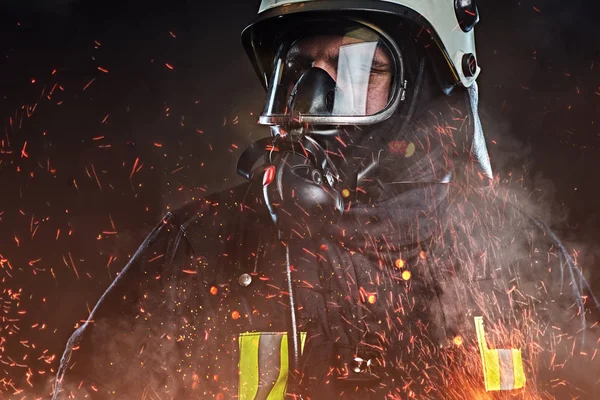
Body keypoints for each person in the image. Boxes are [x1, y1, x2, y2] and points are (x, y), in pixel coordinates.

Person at [52, 0, 600, 399]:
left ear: (429, 87)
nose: (316, 98)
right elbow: (86, 386)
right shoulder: (204, 243)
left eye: (359, 69)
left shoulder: (517, 259)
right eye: (301, 69)